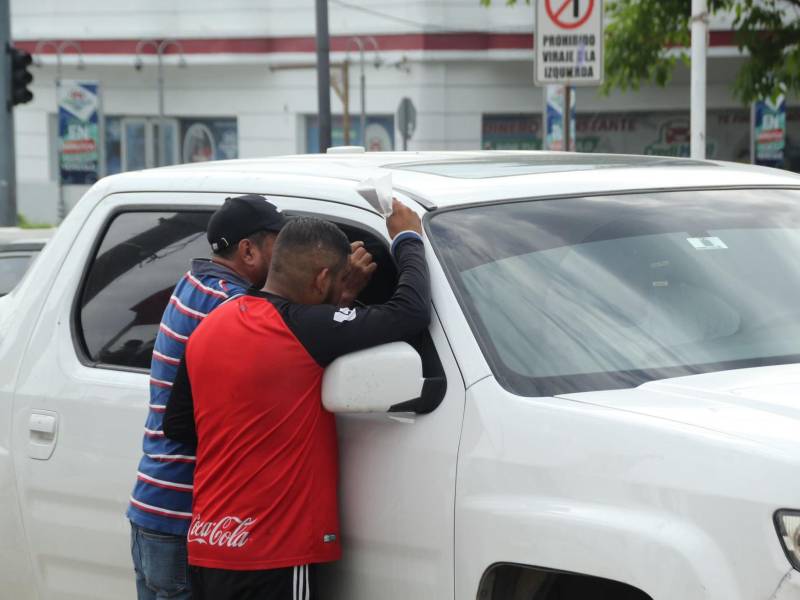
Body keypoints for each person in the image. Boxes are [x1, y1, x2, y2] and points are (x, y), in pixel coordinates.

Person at [163, 200, 429, 600]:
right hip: (274, 553)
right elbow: (409, 312)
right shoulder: (303, 330)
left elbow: (179, 427)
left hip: (210, 547)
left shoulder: (210, 325)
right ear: (323, 279)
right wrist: (409, 239)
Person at [127, 193, 377, 600]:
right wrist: (338, 295)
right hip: (191, 516)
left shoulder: (191, 286)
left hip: (154, 507)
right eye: (281, 244)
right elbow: (296, 340)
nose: (289, 258)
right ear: (248, 250)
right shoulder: (235, 309)